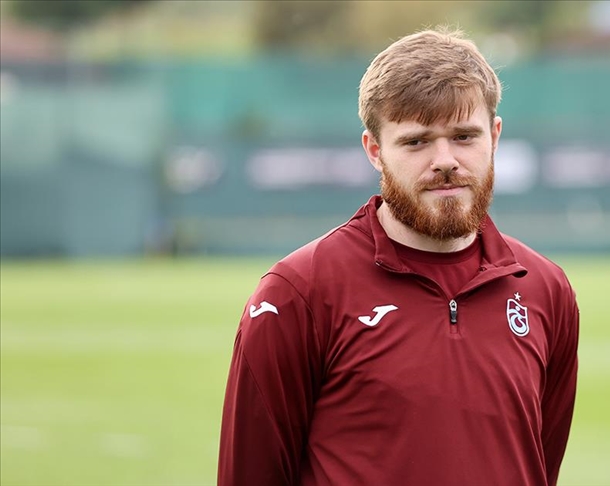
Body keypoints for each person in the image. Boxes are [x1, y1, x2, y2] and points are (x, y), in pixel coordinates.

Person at [218, 26, 580, 486]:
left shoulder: (546, 289)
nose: (444, 160)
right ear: (375, 150)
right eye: (416, 141)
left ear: (494, 136)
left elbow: (537, 467)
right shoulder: (297, 294)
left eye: (464, 136)